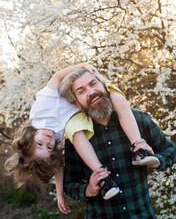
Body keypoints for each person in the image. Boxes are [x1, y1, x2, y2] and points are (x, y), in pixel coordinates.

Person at [5, 63, 158, 214]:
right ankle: (104, 178)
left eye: (39, 144)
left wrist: (82, 66)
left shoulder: (41, 110)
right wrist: (59, 195)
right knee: (76, 132)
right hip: (81, 108)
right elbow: (57, 167)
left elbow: (57, 77)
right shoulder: (56, 138)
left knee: (117, 98)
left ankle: (139, 148)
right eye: (49, 148)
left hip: (87, 89)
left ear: (29, 137)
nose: (47, 142)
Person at [60, 68, 176, 218]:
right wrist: (88, 190)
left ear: (104, 86)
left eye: (93, 84)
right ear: (77, 103)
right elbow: (68, 184)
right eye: (81, 91)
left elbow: (171, 150)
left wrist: (157, 161)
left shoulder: (138, 120)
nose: (91, 92)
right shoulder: (77, 139)